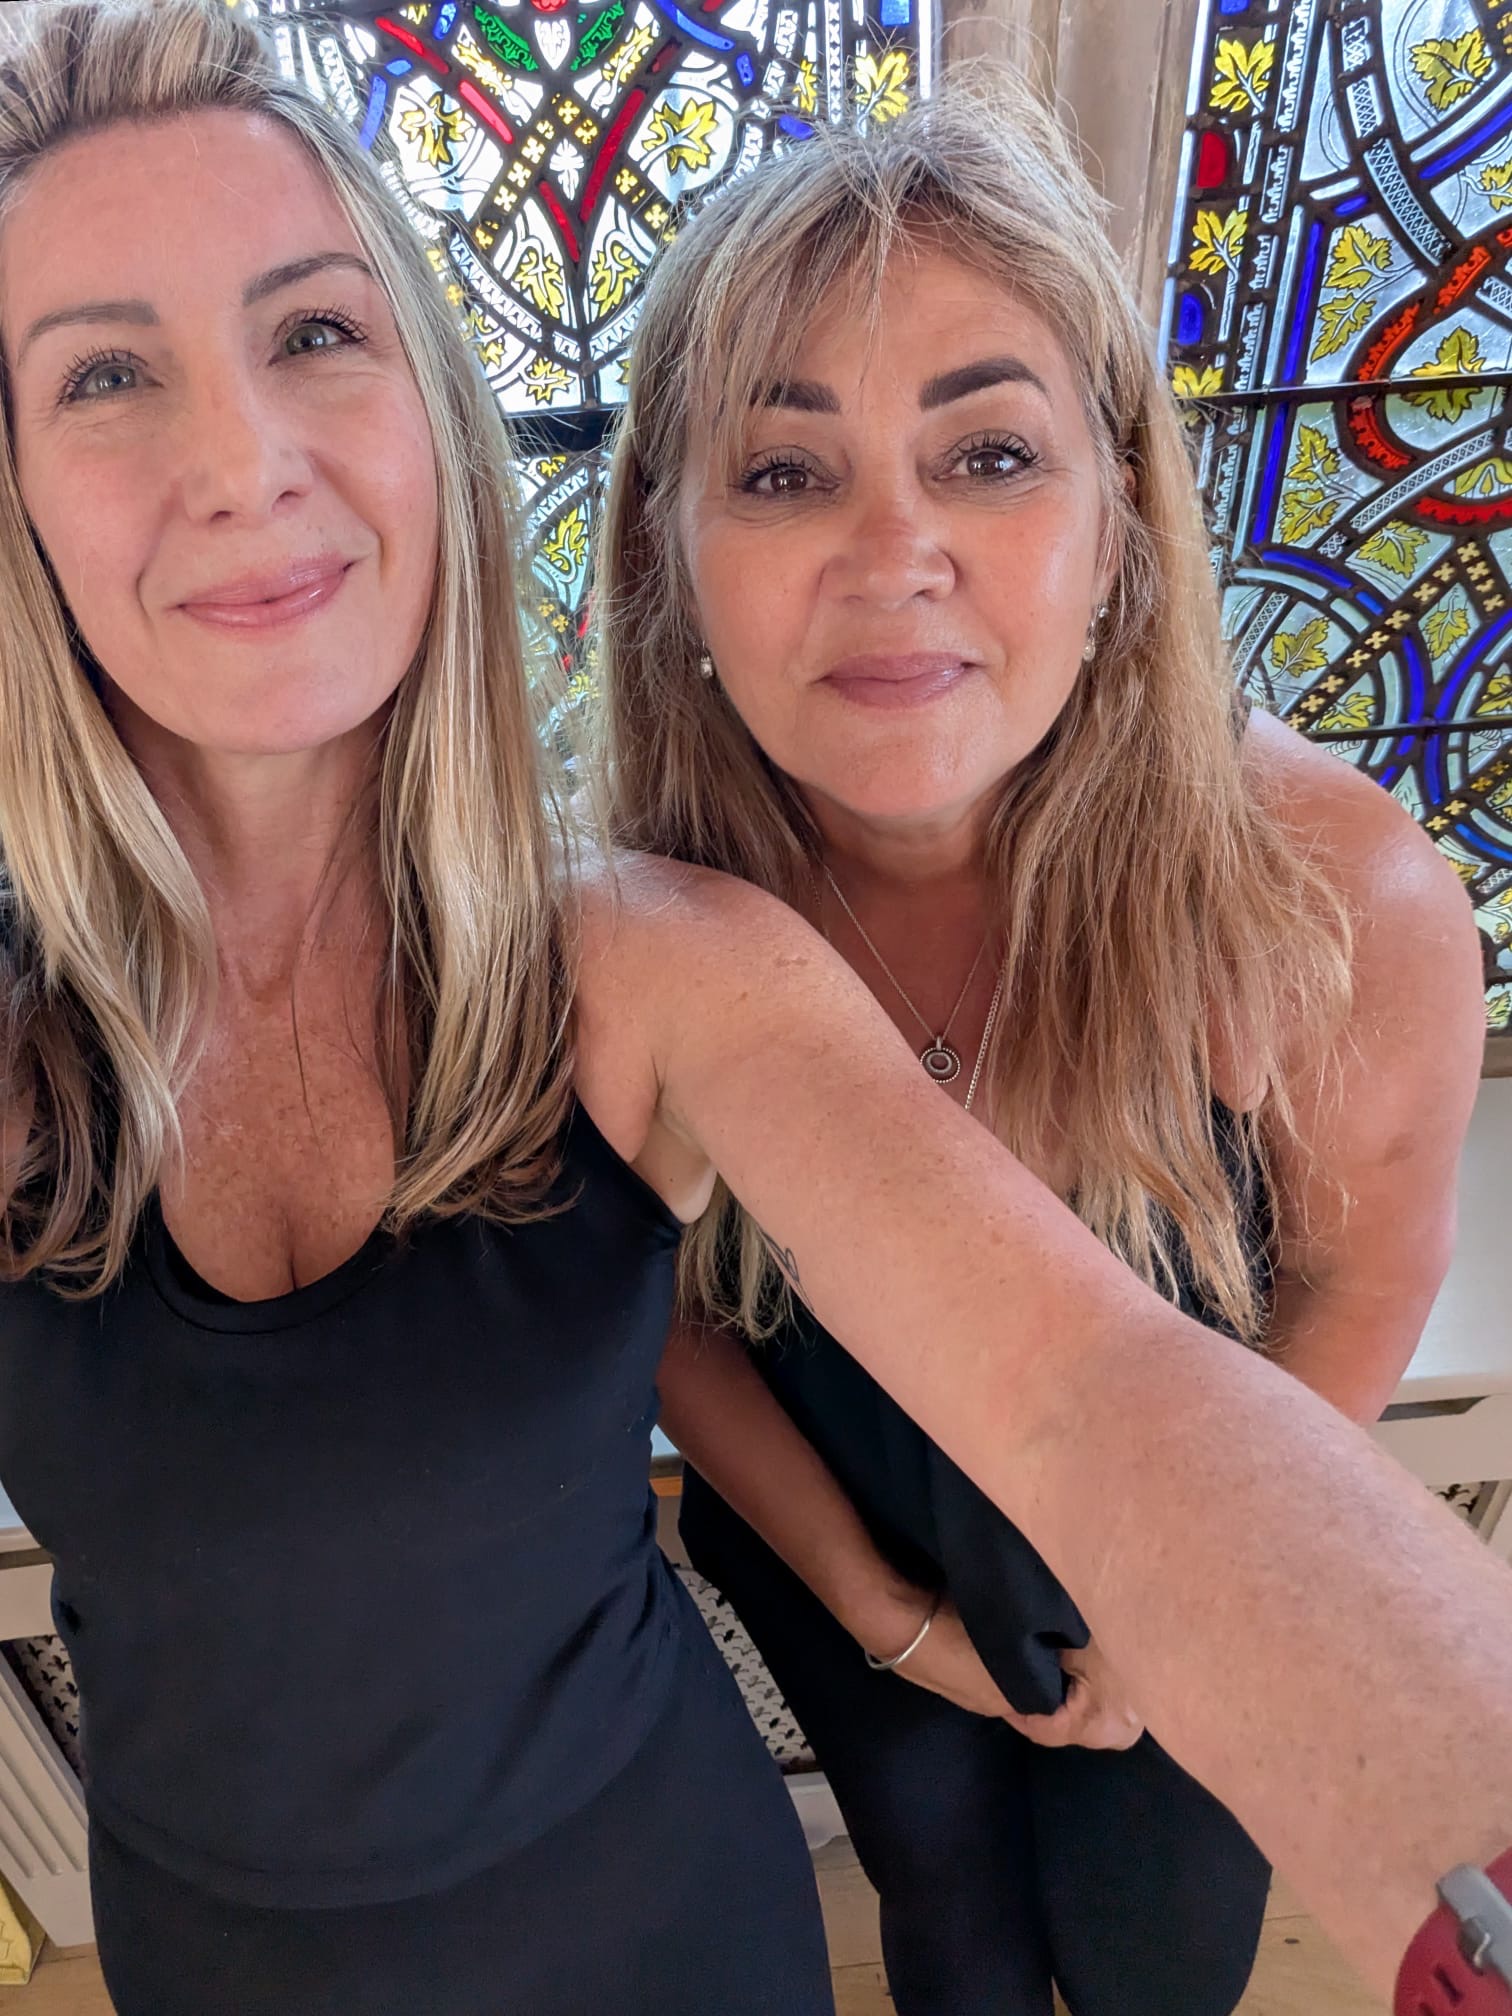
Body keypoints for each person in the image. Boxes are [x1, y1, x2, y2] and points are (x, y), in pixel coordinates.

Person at [0, 7, 1509, 2014]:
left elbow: (1091, 1386)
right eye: (106, 372)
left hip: (701, 1912)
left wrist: (1472, 1865)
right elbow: (706, 1333)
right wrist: (888, 1618)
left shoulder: (653, 956)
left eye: (313, 331)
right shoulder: (697, 862)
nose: (240, 463)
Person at [597, 76, 1492, 2015]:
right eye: (784, 472)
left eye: (990, 455)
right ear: (667, 561)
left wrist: (1186, 1609)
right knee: (945, 1911)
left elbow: (1361, 1279)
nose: (893, 550)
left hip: (1198, 1534)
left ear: (1123, 530)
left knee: (1157, 1949)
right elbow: (656, 1316)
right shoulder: (635, 930)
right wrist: (875, 1609)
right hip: (835, 1529)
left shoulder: (1335, 897)